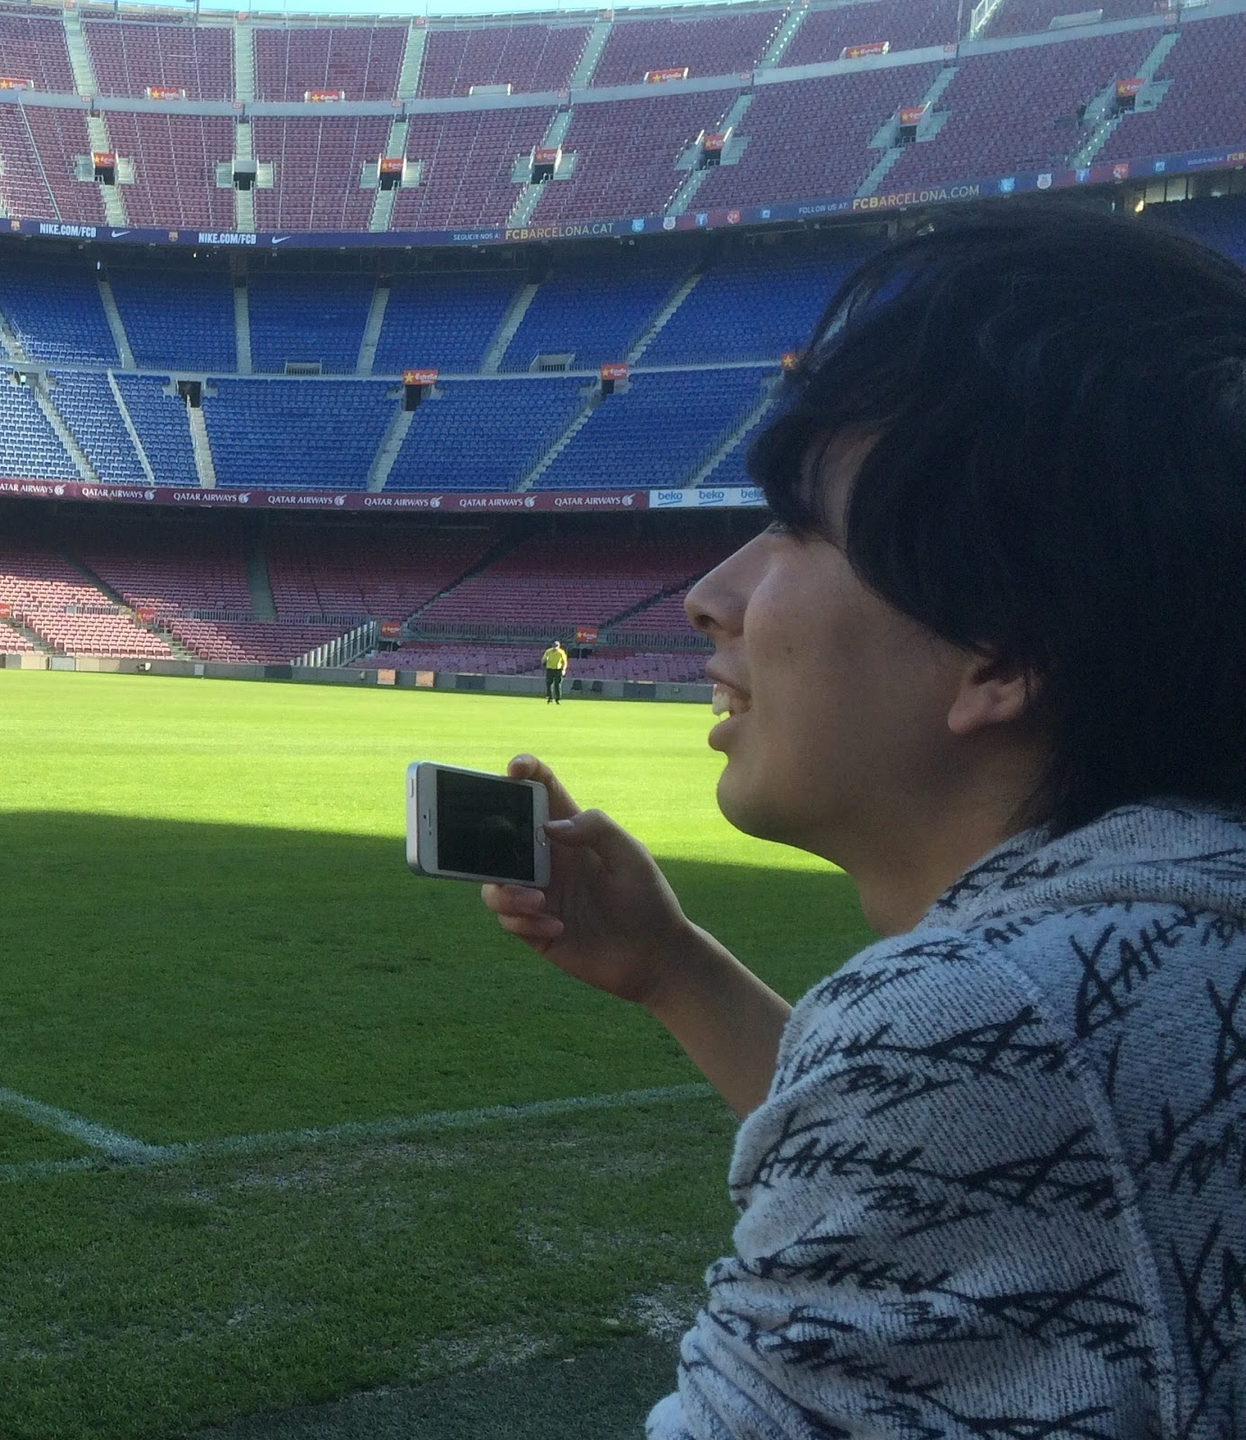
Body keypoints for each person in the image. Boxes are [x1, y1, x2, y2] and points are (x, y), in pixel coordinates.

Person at [481, 204, 1246, 1438]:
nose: (708, 595)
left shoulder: (1002, 1018)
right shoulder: (1172, 930)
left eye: (795, 526)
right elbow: (1032, 1157)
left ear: (1002, 651)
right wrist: (677, 971)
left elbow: (991, 1075)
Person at [541, 640, 568, 704]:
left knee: (557, 685)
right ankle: (550, 698)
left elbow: (565, 662)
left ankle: (558, 699)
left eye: (556, 646)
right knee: (549, 684)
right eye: (554, 646)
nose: (555, 648)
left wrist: (564, 669)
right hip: (549, 669)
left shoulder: (561, 652)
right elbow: (543, 659)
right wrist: (544, 661)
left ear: (559, 646)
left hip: (558, 670)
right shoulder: (548, 651)